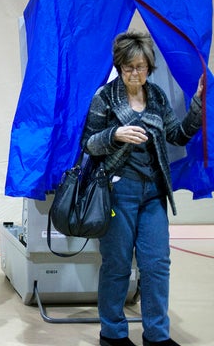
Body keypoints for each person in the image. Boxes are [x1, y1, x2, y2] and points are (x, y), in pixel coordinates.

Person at [81, 30, 204, 346]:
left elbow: (176, 136)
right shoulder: (105, 98)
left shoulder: (158, 97)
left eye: (140, 67)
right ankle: (113, 333)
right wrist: (115, 135)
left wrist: (197, 107)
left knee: (157, 266)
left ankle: (157, 336)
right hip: (117, 193)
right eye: (128, 67)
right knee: (118, 265)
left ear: (150, 67)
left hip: (153, 194)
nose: (134, 73)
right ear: (119, 67)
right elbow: (88, 145)